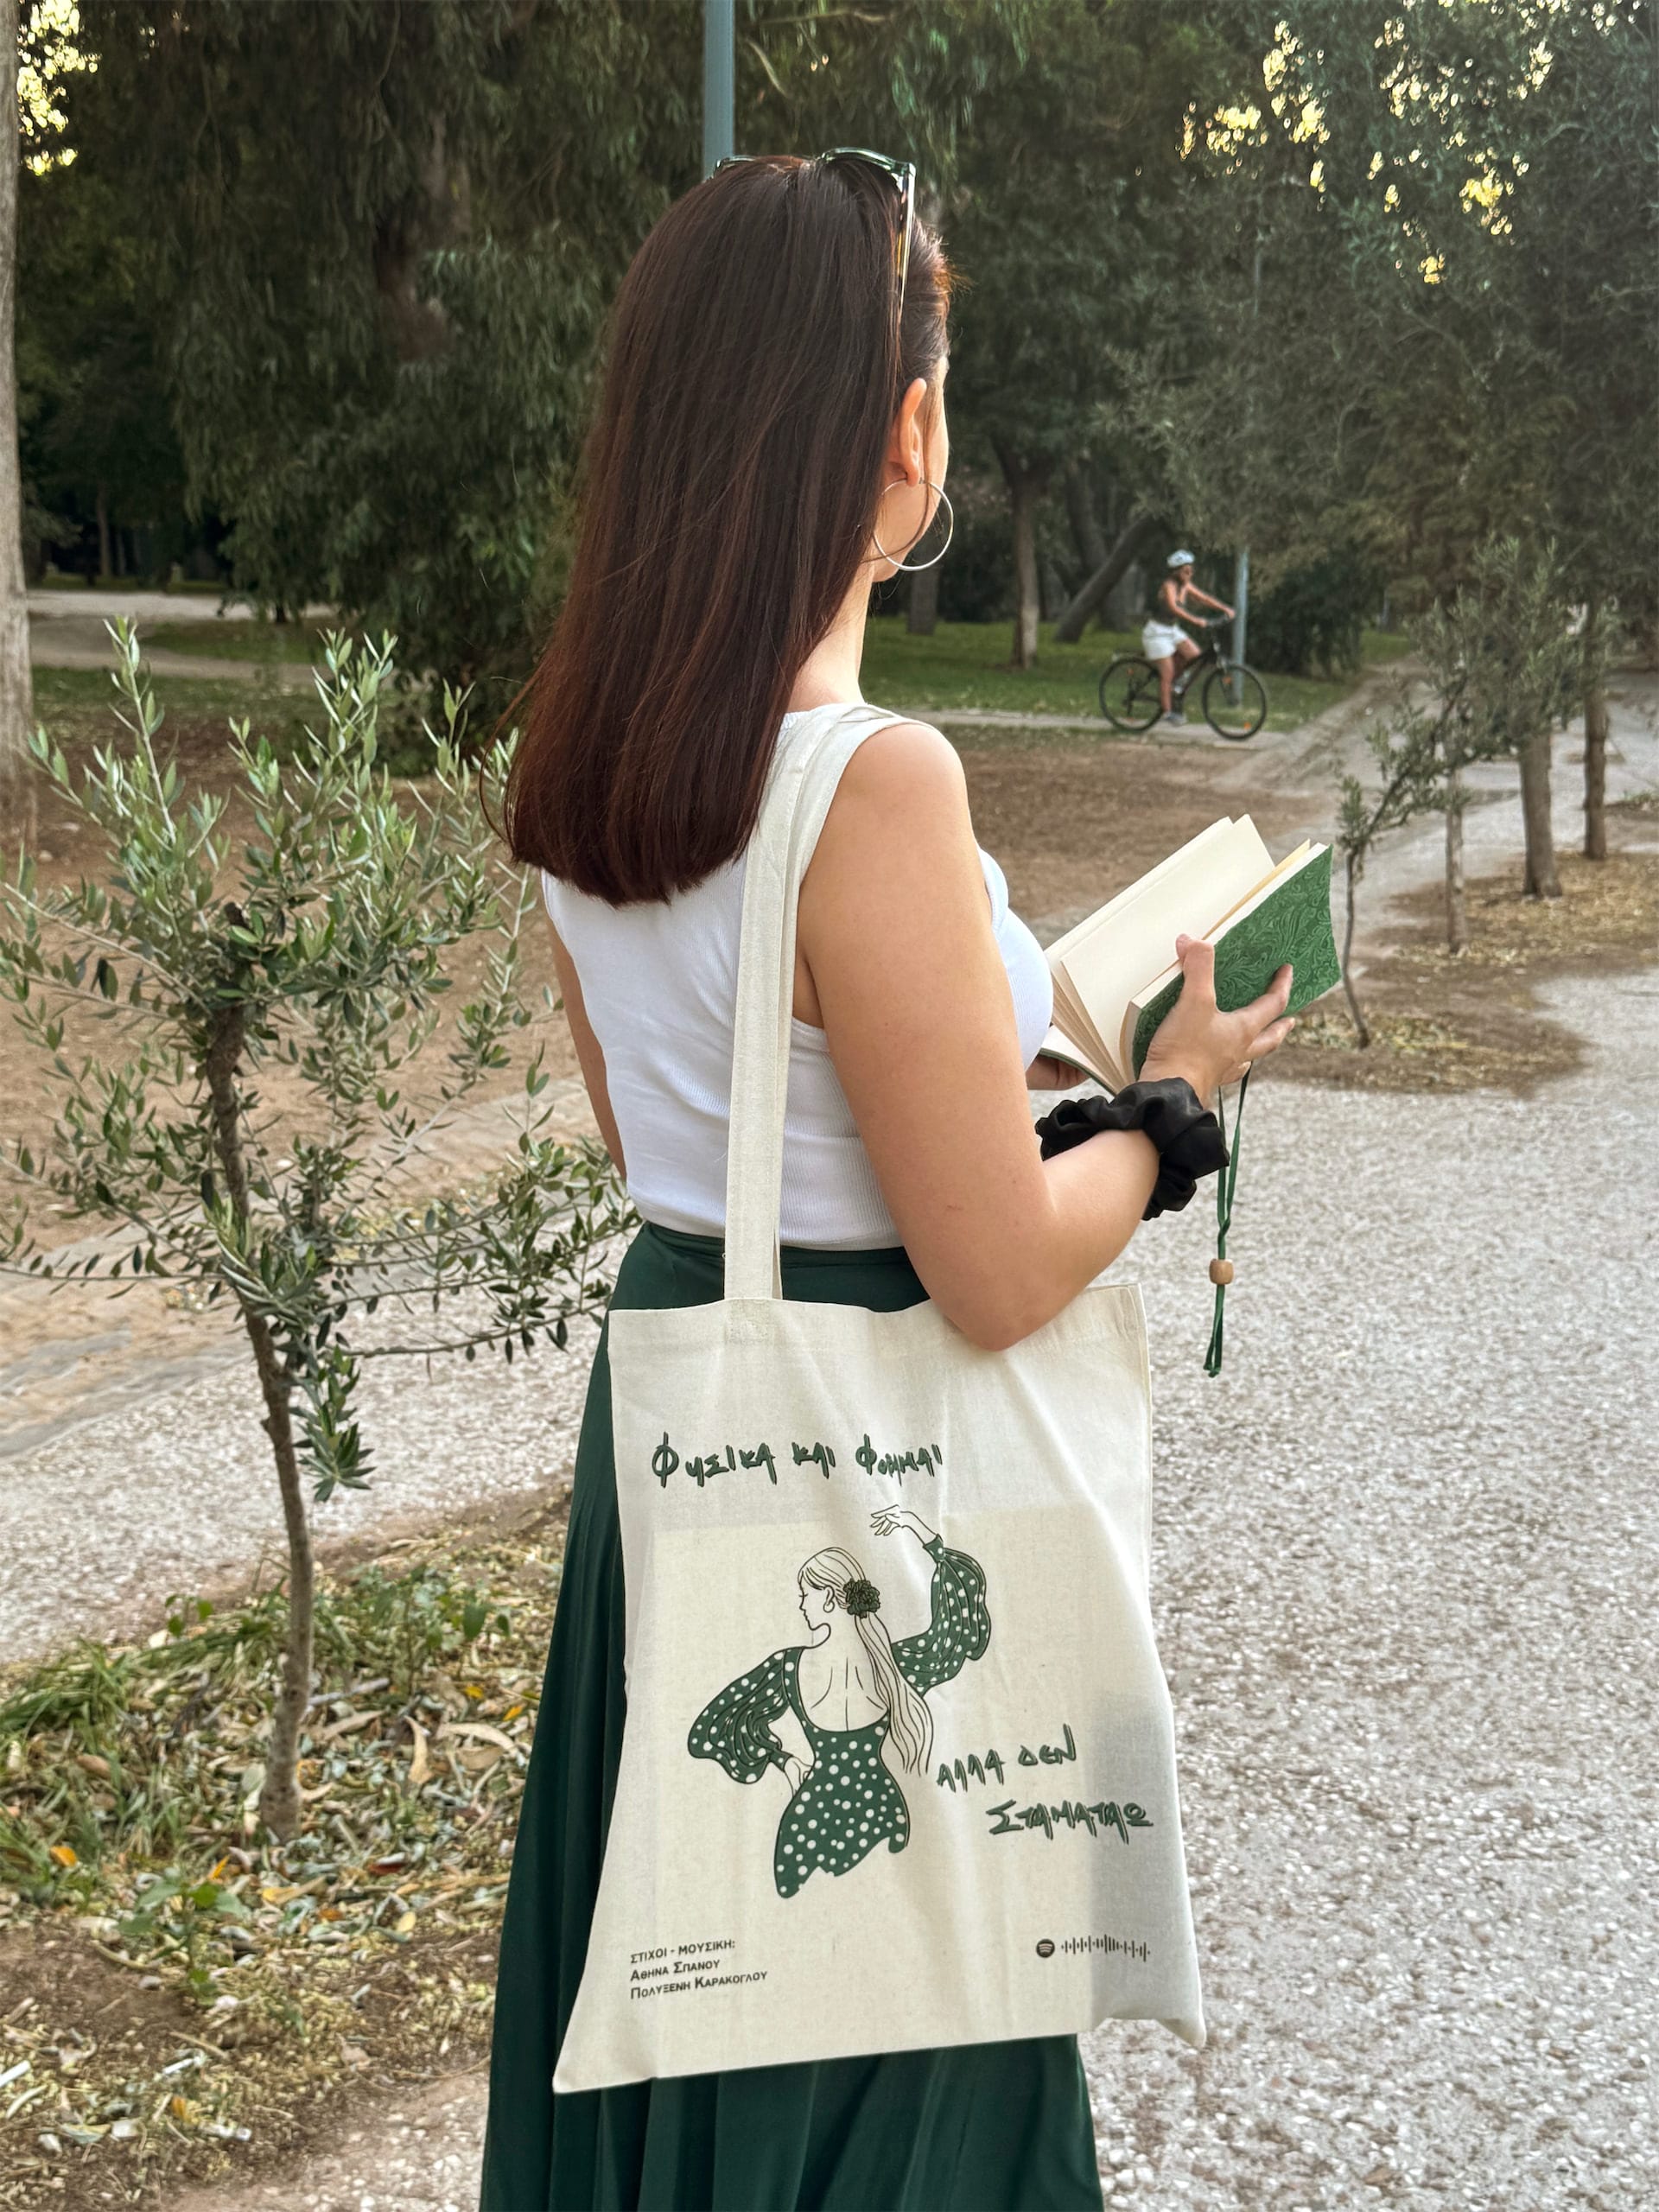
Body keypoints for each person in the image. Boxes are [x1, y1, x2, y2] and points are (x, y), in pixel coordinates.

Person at [482, 149, 1293, 2212]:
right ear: (906, 430)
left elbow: (668, 1141)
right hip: (875, 1469)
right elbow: (996, 1270)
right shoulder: (875, 779)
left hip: (690, 1433)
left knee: (692, 1957)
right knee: (897, 2014)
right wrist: (1172, 1110)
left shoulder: (584, 762)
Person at [687, 1509, 989, 1898]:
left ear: (829, 1598)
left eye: (805, 1595)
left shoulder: (788, 1667)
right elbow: (955, 1630)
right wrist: (919, 1530)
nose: (801, 1605)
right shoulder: (893, 1666)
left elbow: (715, 1727)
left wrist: (783, 1761)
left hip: (810, 1821)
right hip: (881, 1811)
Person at [1143, 549, 1235, 725]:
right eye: (1186, 571)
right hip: (1157, 633)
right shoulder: (1169, 586)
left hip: (1171, 630)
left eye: (1191, 570)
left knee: (1195, 656)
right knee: (1167, 673)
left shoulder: (1185, 586)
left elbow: (1204, 598)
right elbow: (1174, 608)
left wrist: (1225, 609)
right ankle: (1167, 712)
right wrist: (1196, 620)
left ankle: (1177, 682)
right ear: (1176, 572)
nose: (1190, 573)